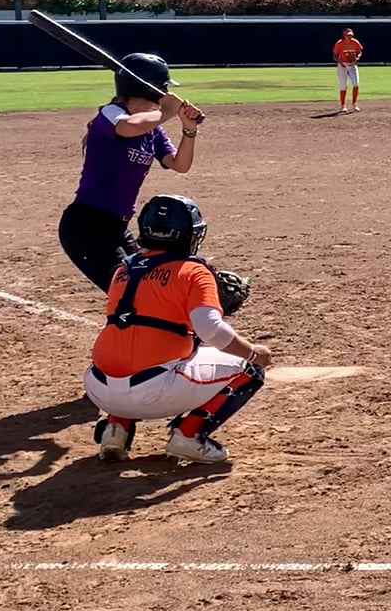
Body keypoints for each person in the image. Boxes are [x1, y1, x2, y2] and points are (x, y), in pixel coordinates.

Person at [84, 194, 273, 465]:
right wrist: (253, 352)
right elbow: (211, 331)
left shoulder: (123, 270)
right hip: (152, 392)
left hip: (98, 389)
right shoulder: (194, 271)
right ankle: (189, 436)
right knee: (250, 368)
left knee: (133, 345)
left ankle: (115, 430)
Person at [58, 53, 202, 292]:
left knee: (146, 284)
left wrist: (189, 130)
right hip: (87, 226)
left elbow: (180, 164)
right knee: (131, 292)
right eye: (163, 87)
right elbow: (128, 127)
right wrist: (167, 111)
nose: (166, 92)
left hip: (117, 227)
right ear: (147, 88)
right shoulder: (112, 113)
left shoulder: (152, 130)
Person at [333, 28, 364, 113]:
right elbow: (335, 55)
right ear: (344, 36)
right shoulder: (339, 43)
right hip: (342, 66)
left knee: (356, 84)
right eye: (348, 35)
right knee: (343, 86)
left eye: (351, 35)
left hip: (352, 65)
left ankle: (354, 104)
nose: (349, 37)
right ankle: (343, 106)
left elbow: (359, 51)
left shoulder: (355, 42)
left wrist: (358, 57)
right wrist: (340, 62)